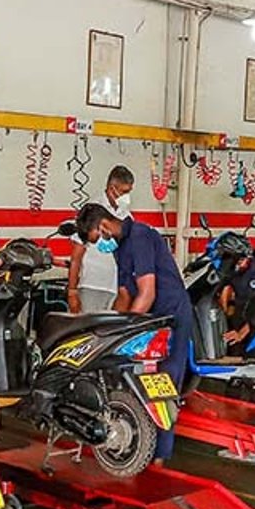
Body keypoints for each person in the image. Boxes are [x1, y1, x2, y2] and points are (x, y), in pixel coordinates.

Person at [75, 200, 192, 464]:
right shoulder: (120, 248)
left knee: (163, 382)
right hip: (149, 317)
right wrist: (107, 324)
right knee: (132, 377)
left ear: (104, 226)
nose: (99, 245)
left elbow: (147, 292)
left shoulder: (140, 236)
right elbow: (125, 294)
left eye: (97, 239)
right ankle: (139, 445)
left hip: (171, 315)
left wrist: (126, 330)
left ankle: (160, 456)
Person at [66, 166, 134, 314]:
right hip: (92, 286)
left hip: (116, 287)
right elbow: (76, 257)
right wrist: (72, 291)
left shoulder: (126, 215)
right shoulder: (91, 211)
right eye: (124, 192)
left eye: (129, 192)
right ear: (112, 188)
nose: (127, 197)